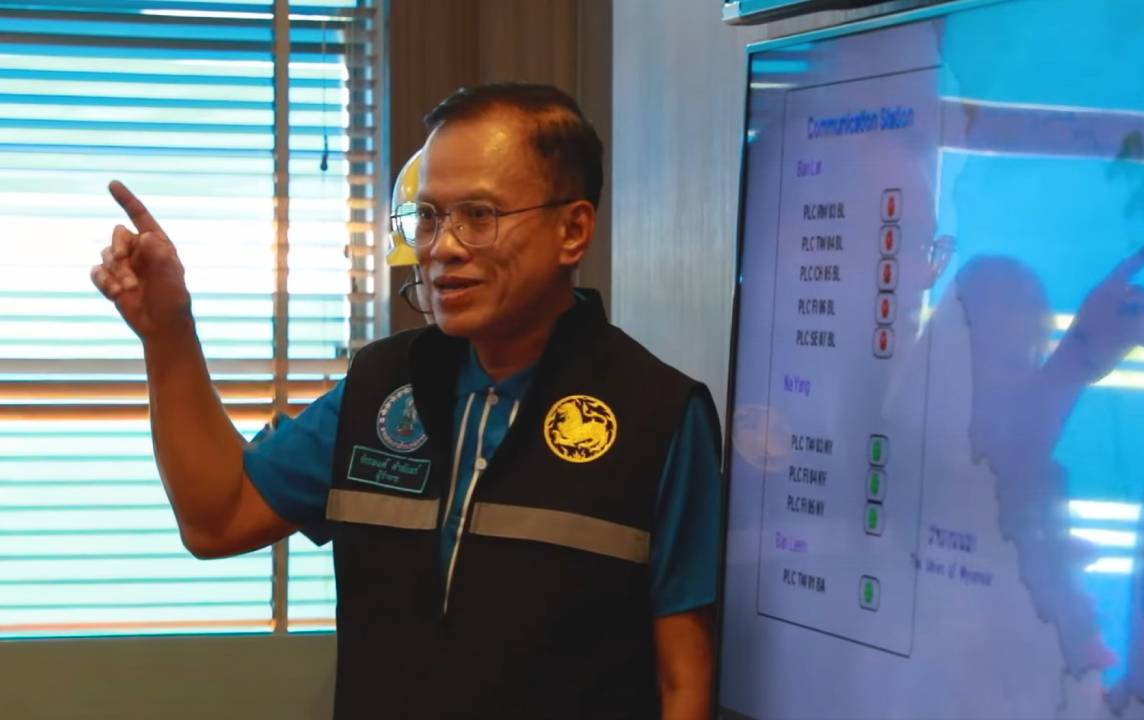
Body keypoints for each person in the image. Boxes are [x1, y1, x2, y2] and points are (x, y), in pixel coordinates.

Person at [90, 82, 723, 720]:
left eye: (479, 215)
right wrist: (167, 332)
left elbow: (684, 684)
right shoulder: (383, 387)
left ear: (573, 230)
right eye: (427, 217)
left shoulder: (659, 414)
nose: (442, 247)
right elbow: (217, 518)